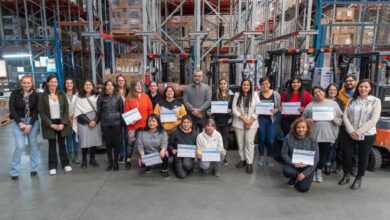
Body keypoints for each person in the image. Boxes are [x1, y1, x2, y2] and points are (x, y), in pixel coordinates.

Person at [339, 79, 381, 190]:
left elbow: (374, 120)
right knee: (347, 154)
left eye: (366, 87)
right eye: (361, 86)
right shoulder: (352, 100)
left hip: (367, 134)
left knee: (363, 157)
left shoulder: (375, 101)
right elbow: (345, 116)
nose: (363, 89)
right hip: (349, 132)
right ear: (358, 87)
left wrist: (358, 132)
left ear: (370, 88)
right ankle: (346, 174)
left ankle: (358, 178)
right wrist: (351, 131)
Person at [303, 86, 342, 183]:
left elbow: (341, 120)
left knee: (322, 154)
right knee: (312, 154)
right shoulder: (310, 105)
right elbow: (302, 120)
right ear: (313, 95)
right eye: (315, 93)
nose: (318, 94)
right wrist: (308, 120)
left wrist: (334, 119)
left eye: (320, 91)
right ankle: (311, 172)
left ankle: (319, 172)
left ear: (324, 92)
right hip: (313, 134)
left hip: (327, 134)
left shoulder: (333, 104)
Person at [38, 75, 72, 175]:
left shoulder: (62, 94)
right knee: (52, 145)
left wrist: (63, 123)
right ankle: (52, 166)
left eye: (55, 82)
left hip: (61, 122)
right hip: (49, 123)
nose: (54, 84)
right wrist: (50, 124)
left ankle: (65, 164)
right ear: (48, 83)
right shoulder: (42, 96)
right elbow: (42, 112)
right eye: (51, 82)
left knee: (62, 144)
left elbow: (66, 110)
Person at [9, 75, 40, 180]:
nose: (26, 85)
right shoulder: (15, 93)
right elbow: (12, 109)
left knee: (33, 145)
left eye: (28, 83)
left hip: (32, 122)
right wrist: (20, 123)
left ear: (32, 84)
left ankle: (33, 169)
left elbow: (36, 111)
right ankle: (14, 171)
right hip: (19, 121)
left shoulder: (35, 95)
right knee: (19, 146)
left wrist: (30, 124)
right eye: (24, 83)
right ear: (21, 83)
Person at [281, 118, 319, 193]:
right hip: (293, 165)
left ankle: (300, 178)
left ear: (307, 128)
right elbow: (284, 153)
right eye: (298, 127)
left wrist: (304, 174)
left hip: (307, 166)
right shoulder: (289, 137)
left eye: (303, 127)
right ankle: (295, 176)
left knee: (303, 188)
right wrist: (293, 164)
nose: (301, 129)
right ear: (295, 128)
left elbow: (316, 158)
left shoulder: (312, 139)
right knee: (287, 171)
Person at [232, 79, 260, 173]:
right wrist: (245, 121)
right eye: (244, 85)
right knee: (240, 143)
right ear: (241, 85)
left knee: (249, 142)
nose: (246, 86)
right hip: (239, 123)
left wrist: (249, 121)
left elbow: (258, 109)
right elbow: (234, 109)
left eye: (248, 85)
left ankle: (249, 163)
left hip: (252, 123)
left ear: (250, 86)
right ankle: (242, 160)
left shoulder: (255, 95)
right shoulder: (237, 95)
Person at [124, 81, 153, 169]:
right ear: (133, 87)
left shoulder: (146, 96)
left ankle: (144, 160)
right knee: (131, 143)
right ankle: (128, 161)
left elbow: (150, 110)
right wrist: (130, 120)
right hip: (132, 125)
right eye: (137, 85)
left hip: (144, 124)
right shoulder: (129, 98)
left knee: (144, 143)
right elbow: (126, 112)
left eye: (140, 85)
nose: (139, 87)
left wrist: (150, 121)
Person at [73, 79, 102, 169]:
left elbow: (100, 110)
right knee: (84, 141)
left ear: (93, 86)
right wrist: (89, 121)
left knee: (94, 140)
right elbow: (77, 111)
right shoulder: (78, 97)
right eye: (86, 84)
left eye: (90, 85)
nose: (88, 86)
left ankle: (92, 159)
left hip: (95, 119)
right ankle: (84, 159)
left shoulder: (97, 96)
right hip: (83, 121)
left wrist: (95, 121)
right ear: (83, 86)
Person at [97, 80, 124, 171]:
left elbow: (121, 111)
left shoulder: (118, 97)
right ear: (105, 87)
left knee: (116, 143)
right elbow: (99, 112)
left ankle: (116, 162)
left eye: (111, 85)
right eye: (108, 85)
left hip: (117, 123)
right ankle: (110, 163)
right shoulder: (100, 98)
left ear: (114, 87)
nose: (110, 87)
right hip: (105, 123)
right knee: (108, 144)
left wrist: (123, 124)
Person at [335, 74, 358, 175]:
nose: (349, 83)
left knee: (355, 147)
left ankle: (354, 166)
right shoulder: (340, 93)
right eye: (347, 81)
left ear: (355, 82)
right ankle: (340, 165)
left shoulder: (360, 92)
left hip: (356, 126)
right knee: (341, 147)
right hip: (343, 124)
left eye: (351, 81)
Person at [257, 77, 281, 167]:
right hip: (260, 119)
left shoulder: (276, 94)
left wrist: (276, 110)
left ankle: (269, 157)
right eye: (263, 84)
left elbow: (279, 107)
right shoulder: (257, 94)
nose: (265, 85)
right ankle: (261, 156)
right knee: (261, 138)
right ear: (260, 85)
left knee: (270, 139)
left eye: (267, 83)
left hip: (271, 119)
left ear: (270, 84)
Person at [136, 114, 169, 178]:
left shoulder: (163, 132)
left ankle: (164, 170)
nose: (151, 123)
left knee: (165, 152)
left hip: (158, 154)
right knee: (142, 163)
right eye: (149, 121)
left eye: (153, 121)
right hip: (147, 154)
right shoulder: (141, 133)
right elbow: (140, 146)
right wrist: (143, 157)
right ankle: (148, 166)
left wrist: (163, 150)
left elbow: (164, 144)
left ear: (157, 123)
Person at [208, 78, 232, 165]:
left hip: (226, 120)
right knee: (217, 138)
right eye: (221, 84)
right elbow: (212, 106)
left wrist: (231, 110)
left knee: (225, 139)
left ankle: (224, 156)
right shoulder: (215, 94)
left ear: (227, 84)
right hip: (217, 120)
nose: (223, 85)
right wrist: (211, 111)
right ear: (219, 85)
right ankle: (216, 155)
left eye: (224, 83)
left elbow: (234, 106)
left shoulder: (231, 95)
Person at [323, 83, 342, 174]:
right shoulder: (322, 100)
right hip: (322, 126)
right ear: (327, 90)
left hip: (333, 127)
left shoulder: (339, 102)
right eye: (331, 89)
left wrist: (336, 120)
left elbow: (341, 116)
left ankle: (327, 164)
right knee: (322, 147)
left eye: (334, 90)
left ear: (337, 92)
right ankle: (320, 164)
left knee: (330, 147)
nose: (332, 91)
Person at [64, 78, 80, 164]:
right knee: (68, 139)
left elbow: (80, 107)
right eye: (67, 83)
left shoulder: (77, 95)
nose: (69, 84)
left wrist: (74, 116)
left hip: (76, 120)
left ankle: (76, 157)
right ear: (65, 85)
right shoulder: (62, 95)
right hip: (66, 121)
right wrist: (67, 118)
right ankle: (69, 157)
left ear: (73, 84)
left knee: (76, 139)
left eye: (71, 83)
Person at [116, 74, 129, 164]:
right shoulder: (114, 91)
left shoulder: (129, 91)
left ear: (125, 81)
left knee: (127, 137)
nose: (121, 82)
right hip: (118, 117)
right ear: (117, 82)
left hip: (128, 116)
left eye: (122, 80)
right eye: (119, 80)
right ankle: (121, 155)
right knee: (119, 137)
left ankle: (127, 154)